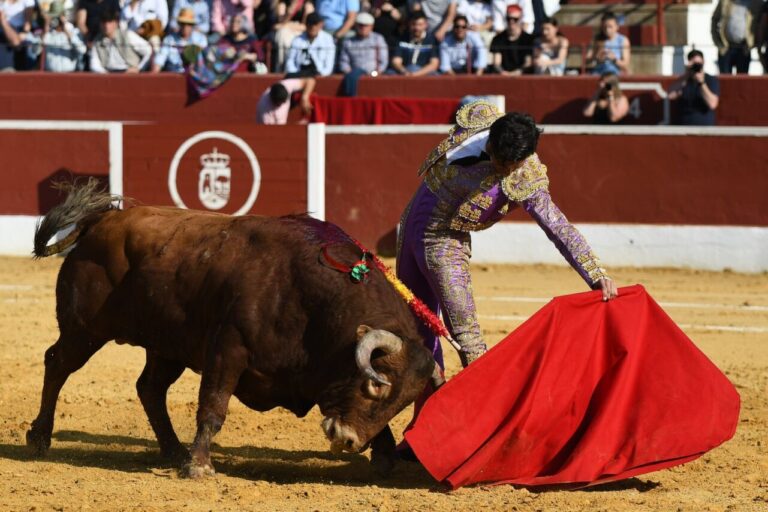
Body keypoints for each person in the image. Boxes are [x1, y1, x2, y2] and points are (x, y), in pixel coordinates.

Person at [397, 100, 618, 373]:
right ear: (491, 140)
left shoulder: (526, 177)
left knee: (467, 336)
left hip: (444, 241)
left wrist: (595, 274)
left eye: (509, 165)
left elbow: (558, 226)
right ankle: (428, 399)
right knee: (414, 323)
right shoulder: (480, 119)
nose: (502, 168)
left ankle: (487, 397)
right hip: (410, 223)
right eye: (498, 158)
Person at [668, 49, 720, 126]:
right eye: (694, 64)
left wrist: (701, 82)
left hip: (704, 126)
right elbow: (670, 95)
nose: (696, 67)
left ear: (703, 62)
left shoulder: (710, 79)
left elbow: (712, 104)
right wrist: (686, 75)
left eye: (698, 64)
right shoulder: (684, 80)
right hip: (684, 125)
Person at [90, 8, 152, 72]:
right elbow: (94, 64)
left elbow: (148, 50)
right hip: (108, 73)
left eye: (110, 22)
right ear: (100, 24)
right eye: (103, 22)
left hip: (129, 73)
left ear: (116, 23)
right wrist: (106, 74)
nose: (106, 26)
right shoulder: (97, 41)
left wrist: (139, 68)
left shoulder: (128, 35)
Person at [711, 0, 764, 74]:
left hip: (744, 49)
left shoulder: (756, 3)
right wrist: (718, 43)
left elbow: (760, 25)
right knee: (725, 79)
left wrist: (753, 44)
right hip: (726, 47)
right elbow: (714, 19)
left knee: (742, 79)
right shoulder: (725, 2)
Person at [35, 1, 88, 72]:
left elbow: (82, 50)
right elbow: (35, 51)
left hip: (70, 73)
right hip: (51, 74)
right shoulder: (47, 33)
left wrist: (67, 32)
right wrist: (45, 29)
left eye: (58, 17)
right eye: (54, 17)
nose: (56, 20)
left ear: (64, 16)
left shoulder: (73, 31)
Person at [151, 7, 207, 72]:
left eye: (189, 24)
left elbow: (204, 62)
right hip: (174, 75)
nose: (185, 27)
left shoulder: (201, 39)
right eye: (183, 23)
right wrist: (154, 73)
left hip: (195, 75)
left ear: (192, 25)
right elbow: (159, 61)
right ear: (179, 24)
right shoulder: (169, 40)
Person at [284, 12, 336, 77]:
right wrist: (295, 74)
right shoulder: (297, 40)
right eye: (310, 24)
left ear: (321, 24)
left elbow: (329, 65)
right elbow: (290, 61)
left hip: (319, 76)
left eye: (315, 24)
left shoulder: (327, 39)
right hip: (299, 75)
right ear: (306, 24)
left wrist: (321, 76)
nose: (313, 27)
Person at [489, 4, 534, 75]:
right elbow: (496, 63)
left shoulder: (528, 39)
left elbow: (528, 63)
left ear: (521, 19)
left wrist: (516, 73)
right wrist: (503, 73)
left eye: (515, 19)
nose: (511, 21)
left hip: (524, 77)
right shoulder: (497, 39)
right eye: (508, 19)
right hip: (503, 77)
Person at [271, 0, 314, 72]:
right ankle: (283, 64)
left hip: (300, 34)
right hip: (286, 33)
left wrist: (287, 26)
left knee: (283, 33)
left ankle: (285, 65)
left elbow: (306, 26)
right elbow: (281, 22)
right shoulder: (283, 3)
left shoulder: (307, 4)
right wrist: (290, 11)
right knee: (282, 34)